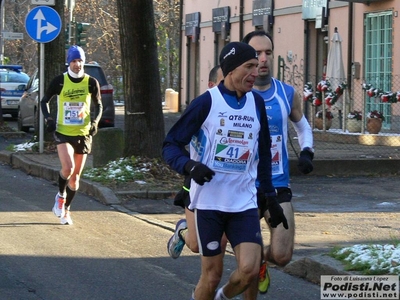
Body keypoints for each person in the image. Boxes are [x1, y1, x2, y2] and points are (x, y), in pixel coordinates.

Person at [162, 41, 288, 300]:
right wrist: (190, 165)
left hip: (243, 203)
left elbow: (263, 154)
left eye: (257, 66)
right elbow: (170, 145)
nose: (256, 72)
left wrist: (271, 198)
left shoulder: (256, 103)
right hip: (209, 202)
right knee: (211, 276)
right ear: (230, 69)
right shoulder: (206, 103)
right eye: (249, 66)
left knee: (250, 270)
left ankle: (223, 297)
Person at [241, 30, 314, 294]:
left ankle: (261, 260)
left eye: (268, 53)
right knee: (247, 267)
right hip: (244, 186)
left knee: (282, 255)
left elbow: (303, 127)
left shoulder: (286, 93)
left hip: (277, 184)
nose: (263, 59)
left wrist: (307, 152)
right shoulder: (238, 94)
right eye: (256, 53)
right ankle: (253, 263)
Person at [40, 45, 103, 225]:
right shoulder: (60, 81)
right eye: (74, 61)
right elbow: (44, 101)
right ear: (69, 62)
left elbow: (99, 105)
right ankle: (60, 196)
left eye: (80, 61)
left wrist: (95, 122)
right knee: (67, 167)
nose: (77, 64)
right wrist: (49, 119)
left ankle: (66, 210)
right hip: (63, 132)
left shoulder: (91, 82)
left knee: (75, 177)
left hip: (83, 134)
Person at [168, 65, 224, 258]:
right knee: (196, 245)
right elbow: (174, 141)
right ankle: (183, 230)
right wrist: (190, 165)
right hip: (196, 182)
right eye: (223, 82)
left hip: (228, 188)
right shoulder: (201, 106)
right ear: (211, 85)